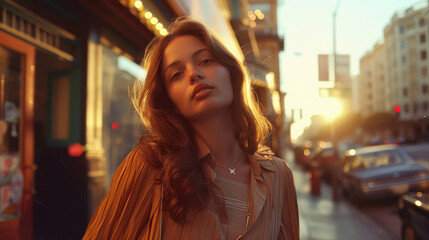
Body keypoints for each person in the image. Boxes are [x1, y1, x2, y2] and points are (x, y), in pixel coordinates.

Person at [83, 17, 299, 240]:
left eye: (205, 61)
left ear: (231, 72)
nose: (193, 74)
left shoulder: (279, 176)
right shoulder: (150, 165)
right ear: (169, 101)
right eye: (176, 74)